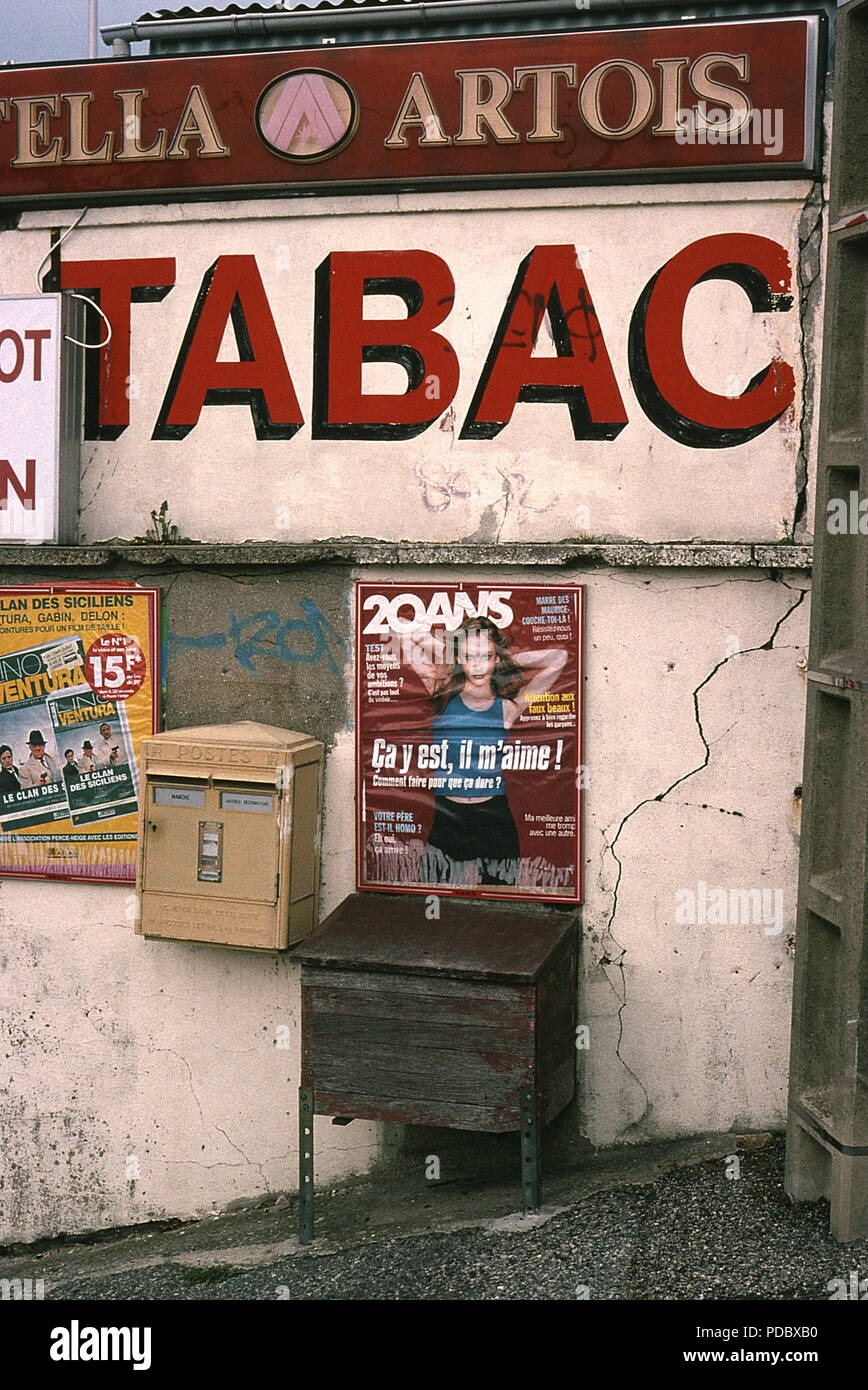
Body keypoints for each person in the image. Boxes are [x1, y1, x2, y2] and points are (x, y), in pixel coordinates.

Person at [408, 615, 568, 887]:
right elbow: (405, 630)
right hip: (448, 817)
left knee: (499, 905)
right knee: (436, 903)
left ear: (496, 659)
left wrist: (505, 659)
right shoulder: (440, 692)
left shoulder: (507, 708)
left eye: (487, 657)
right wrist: (449, 653)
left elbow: (559, 657)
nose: (479, 666)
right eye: (470, 657)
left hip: (494, 820)